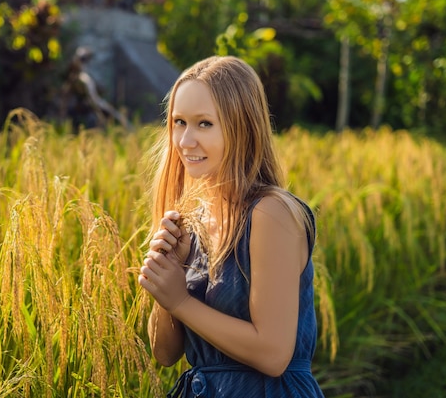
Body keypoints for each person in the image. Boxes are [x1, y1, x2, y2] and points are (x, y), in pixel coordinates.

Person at [137, 55, 325, 397]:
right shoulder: (191, 220)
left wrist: (180, 301)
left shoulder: (270, 214)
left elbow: (273, 355)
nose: (185, 141)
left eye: (204, 124)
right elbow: (164, 354)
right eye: (179, 122)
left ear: (242, 127)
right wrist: (168, 279)